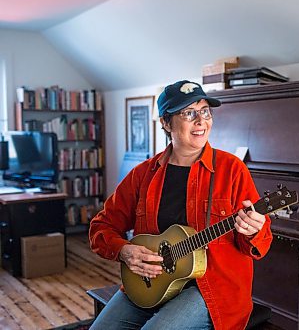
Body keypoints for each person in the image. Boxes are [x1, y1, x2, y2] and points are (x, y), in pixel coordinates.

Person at [88, 80, 273, 330]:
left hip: (211, 290)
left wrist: (252, 229)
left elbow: (258, 240)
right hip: (151, 282)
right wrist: (124, 251)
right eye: (189, 113)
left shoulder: (232, 169)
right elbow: (102, 226)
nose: (201, 121)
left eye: (205, 111)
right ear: (166, 122)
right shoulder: (143, 174)